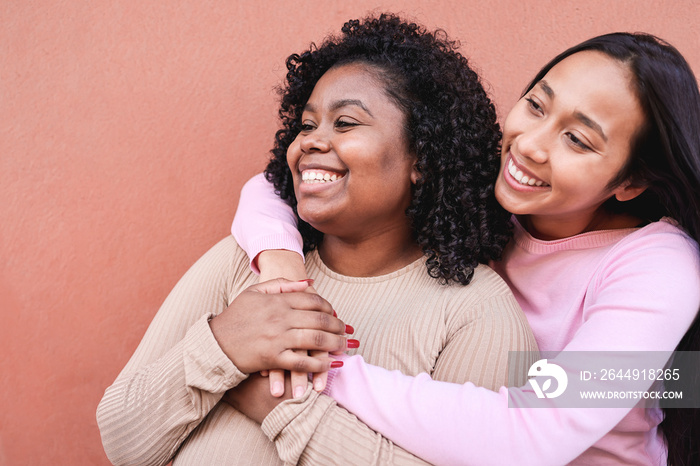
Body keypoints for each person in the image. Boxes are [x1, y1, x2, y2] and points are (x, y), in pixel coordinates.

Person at [228, 32, 700, 464]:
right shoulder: (500, 197)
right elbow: (278, 184)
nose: (531, 145)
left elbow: (536, 433)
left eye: (576, 139)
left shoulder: (658, 267)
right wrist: (282, 276)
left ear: (632, 180)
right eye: (536, 105)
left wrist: (319, 371)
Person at [96, 14, 538, 465]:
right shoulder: (245, 261)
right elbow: (123, 442)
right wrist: (222, 345)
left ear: (422, 156)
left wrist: (270, 400)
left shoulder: (475, 312)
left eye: (345, 123)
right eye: (306, 126)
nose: (311, 141)